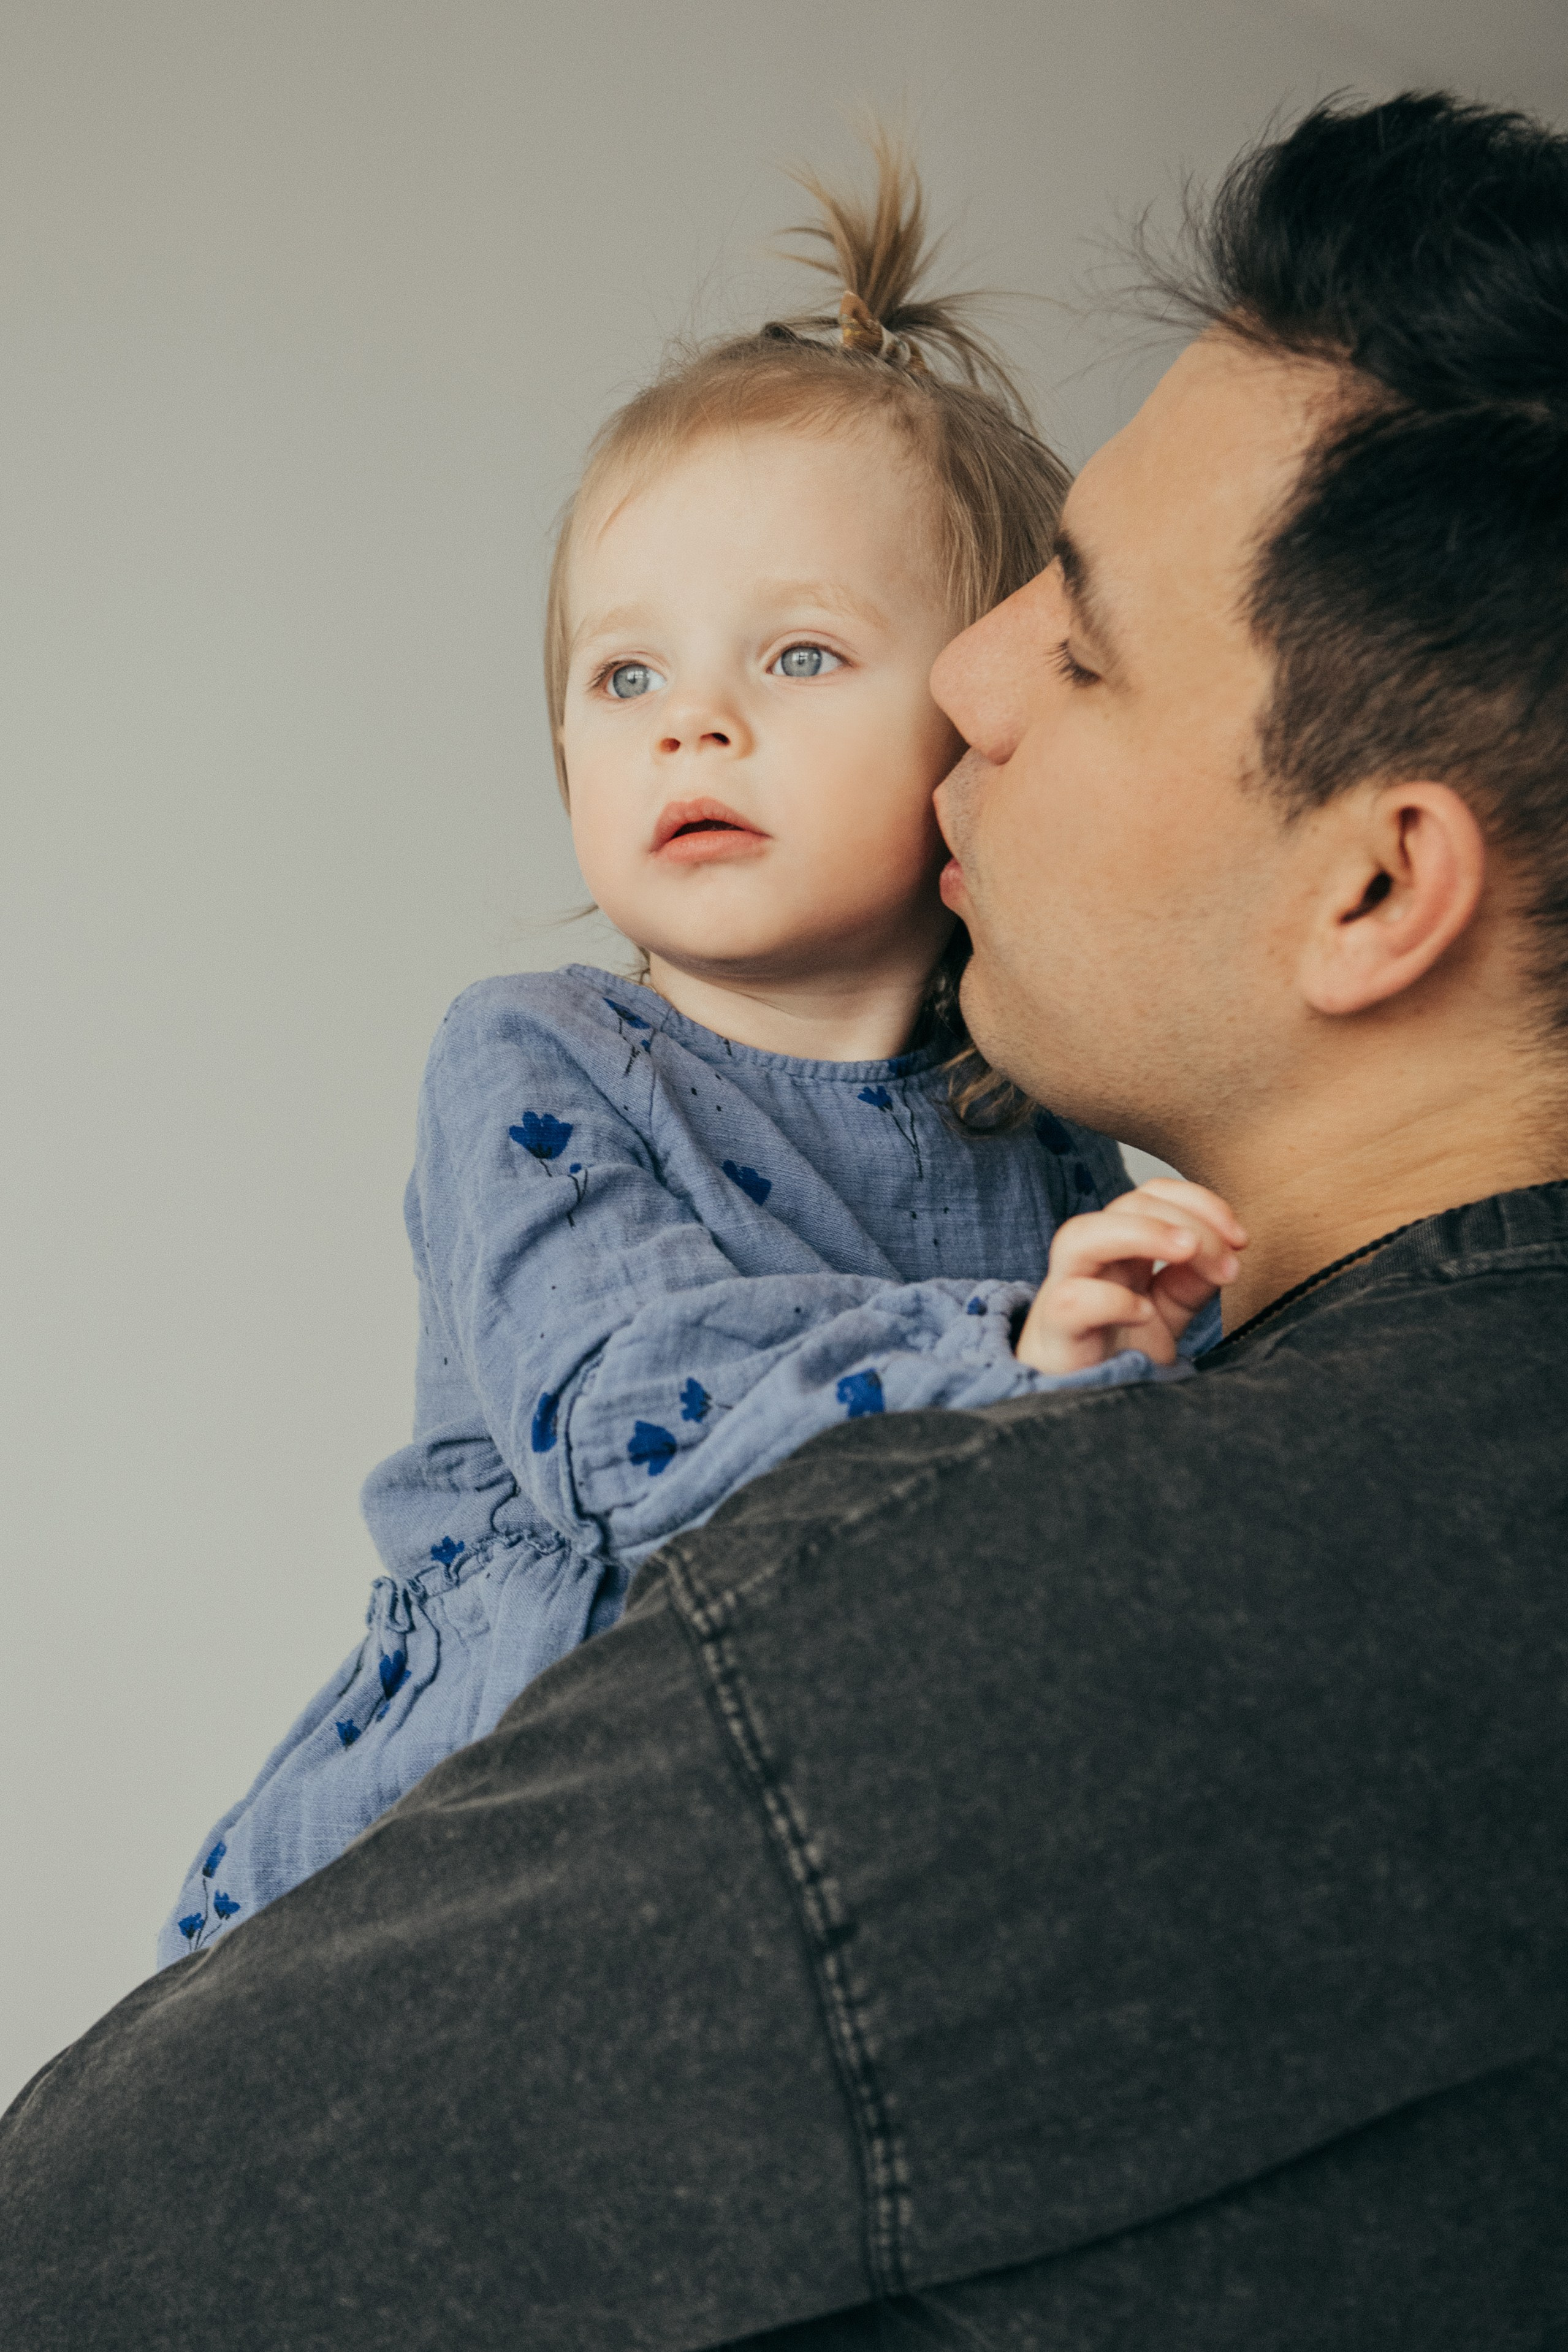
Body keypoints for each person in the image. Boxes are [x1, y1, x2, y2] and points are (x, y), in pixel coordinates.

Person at [3, 88, 1566, 2350]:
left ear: (1378, 885)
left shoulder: (981, 1602)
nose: (969, 681)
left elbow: (92, 2263)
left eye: (1086, 643)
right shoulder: (572, 1070)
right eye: (626, 673)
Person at [156, 142, 1239, 1968]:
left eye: (801, 657)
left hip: (793, 1867)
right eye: (625, 678)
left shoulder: (1033, 1122)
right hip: (443, 1877)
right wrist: (1017, 1349)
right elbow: (627, 1413)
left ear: (969, 729)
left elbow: (1117, 1453)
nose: (696, 726)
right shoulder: (541, 1055)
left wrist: (1176, 1320)